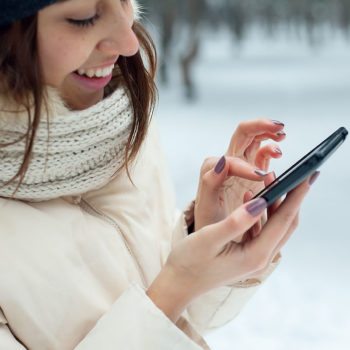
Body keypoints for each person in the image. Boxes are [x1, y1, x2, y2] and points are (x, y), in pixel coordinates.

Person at [0, 0, 320, 349]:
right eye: (84, 18)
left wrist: (210, 237)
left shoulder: (116, 125)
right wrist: (176, 286)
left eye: (124, 1)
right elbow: (168, 295)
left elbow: (188, 323)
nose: (129, 42)